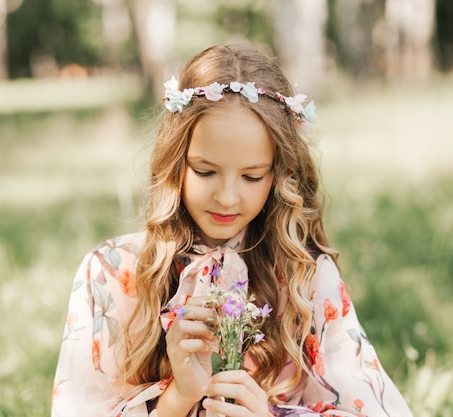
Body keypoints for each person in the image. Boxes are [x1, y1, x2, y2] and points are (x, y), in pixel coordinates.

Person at [51, 43, 414, 417]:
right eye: (205, 171)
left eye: (251, 176)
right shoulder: (112, 274)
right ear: (176, 161)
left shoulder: (305, 278)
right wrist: (176, 399)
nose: (226, 198)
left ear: (277, 175)